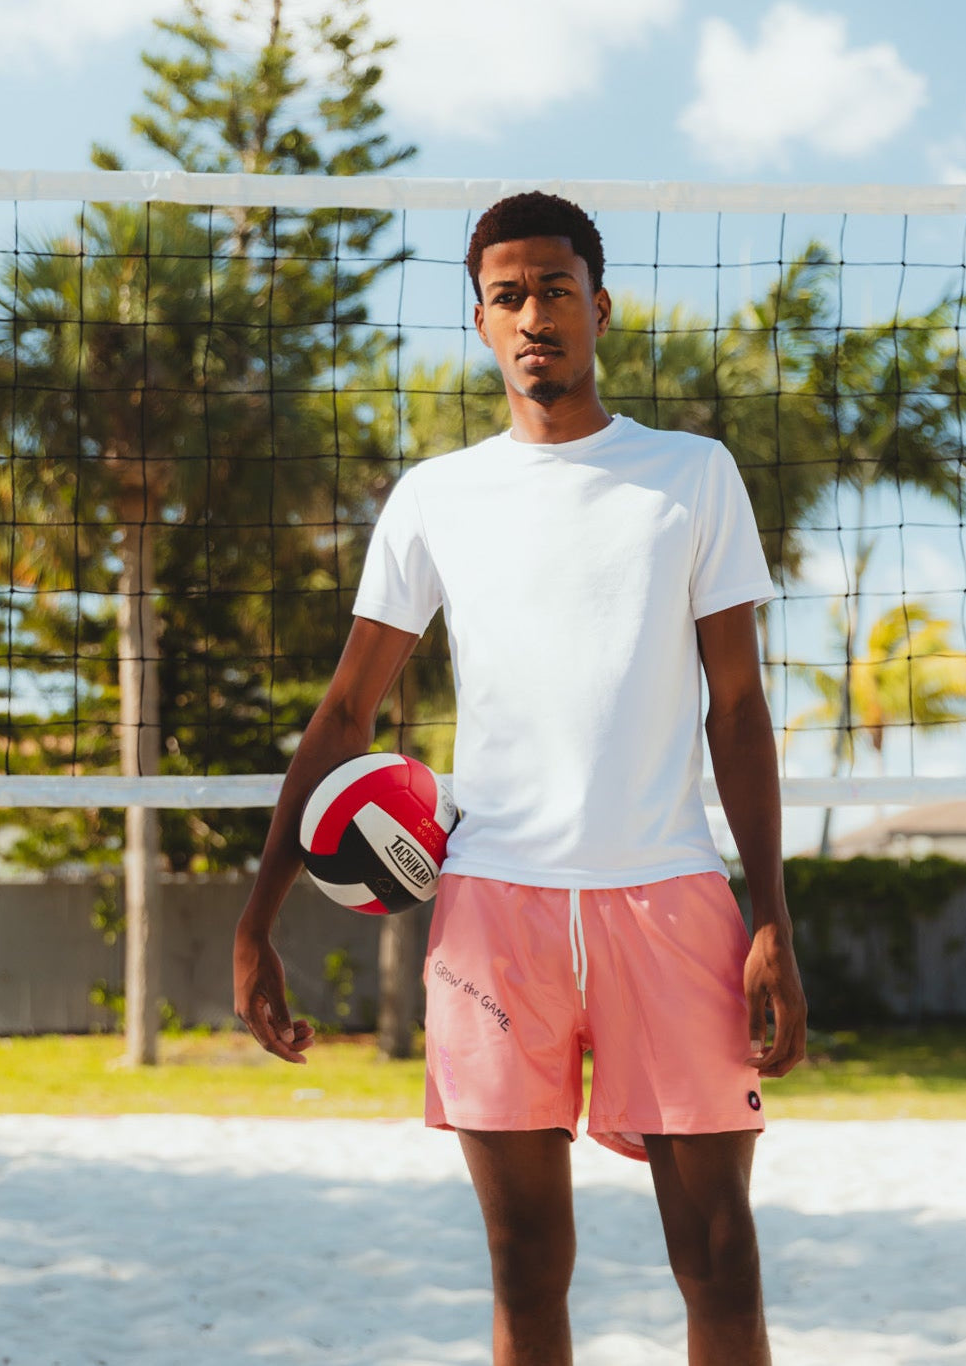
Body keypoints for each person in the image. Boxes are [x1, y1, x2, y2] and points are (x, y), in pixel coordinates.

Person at [233, 191, 807, 1366]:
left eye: (554, 289)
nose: (532, 313)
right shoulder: (438, 495)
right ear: (481, 322)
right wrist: (257, 916)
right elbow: (343, 712)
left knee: (719, 1259)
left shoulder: (691, 475)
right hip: (493, 909)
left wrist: (773, 918)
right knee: (525, 1267)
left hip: (670, 896)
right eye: (507, 295)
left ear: (598, 307)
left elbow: (737, 709)